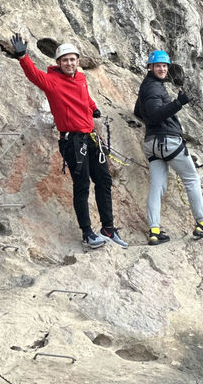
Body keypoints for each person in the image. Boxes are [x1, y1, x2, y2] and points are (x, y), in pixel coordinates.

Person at [8, 34, 127, 249]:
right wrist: (23, 56)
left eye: (73, 59)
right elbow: (33, 75)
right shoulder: (52, 82)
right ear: (58, 63)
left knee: (104, 182)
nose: (69, 63)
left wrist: (93, 108)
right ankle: (87, 233)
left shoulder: (81, 79)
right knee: (81, 187)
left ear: (78, 61)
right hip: (73, 143)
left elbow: (85, 97)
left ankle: (108, 228)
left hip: (91, 138)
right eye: (65, 60)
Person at [135, 49, 203, 245]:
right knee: (191, 179)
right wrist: (178, 103)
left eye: (164, 66)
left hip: (153, 144)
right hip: (167, 141)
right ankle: (201, 224)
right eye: (158, 66)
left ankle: (155, 231)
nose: (162, 69)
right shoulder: (154, 88)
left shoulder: (147, 86)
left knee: (157, 186)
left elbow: (138, 112)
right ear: (150, 67)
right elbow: (155, 114)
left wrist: (155, 125)